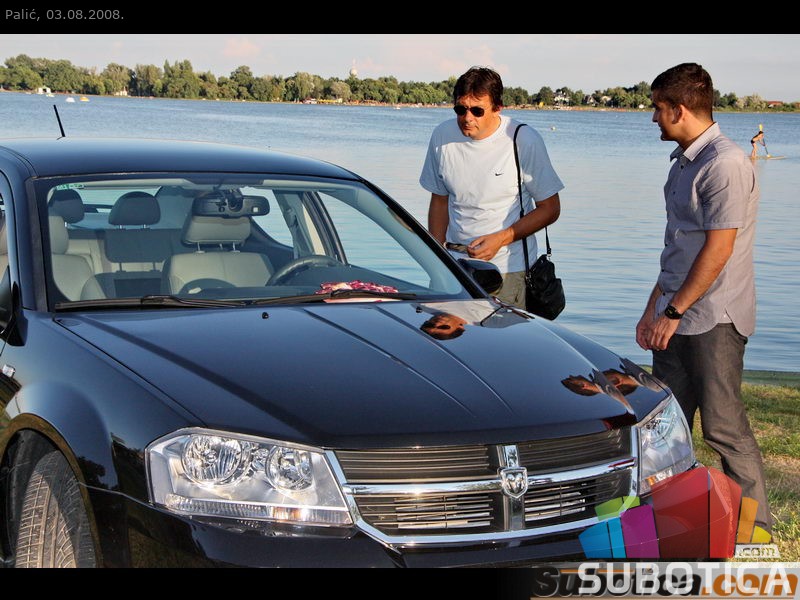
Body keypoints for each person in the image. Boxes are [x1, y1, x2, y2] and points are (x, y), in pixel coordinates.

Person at [636, 62, 772, 535]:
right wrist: (654, 308)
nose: (653, 117)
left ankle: (755, 531)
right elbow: (679, 247)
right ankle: (669, 526)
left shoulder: (725, 163)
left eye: (658, 108)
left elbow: (718, 250)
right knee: (664, 430)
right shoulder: (684, 163)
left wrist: (672, 311)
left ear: (679, 109)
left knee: (723, 428)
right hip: (675, 316)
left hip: (714, 318)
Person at [419, 66, 564, 308]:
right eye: (460, 109)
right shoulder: (441, 136)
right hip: (454, 268)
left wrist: (500, 239)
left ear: (497, 108)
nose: (467, 118)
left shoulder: (522, 140)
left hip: (508, 271)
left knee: (503, 335)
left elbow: (550, 209)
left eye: (477, 110)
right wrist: (437, 262)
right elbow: (439, 201)